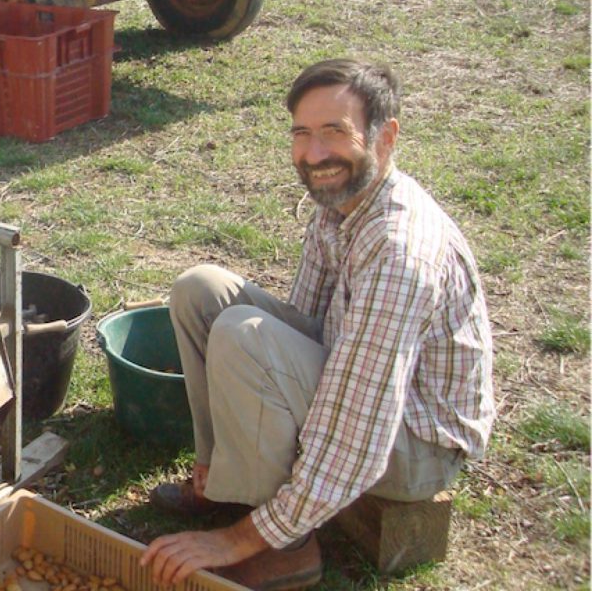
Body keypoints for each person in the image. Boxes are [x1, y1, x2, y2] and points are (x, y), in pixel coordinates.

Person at [138, 59, 495, 590]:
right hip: (366, 394)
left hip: (414, 446)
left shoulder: (399, 252)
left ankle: (286, 548)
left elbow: (360, 435)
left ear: (385, 137)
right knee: (201, 290)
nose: (315, 153)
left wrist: (240, 540)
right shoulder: (341, 203)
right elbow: (306, 322)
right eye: (302, 134)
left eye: (335, 132)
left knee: (243, 335)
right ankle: (219, 482)